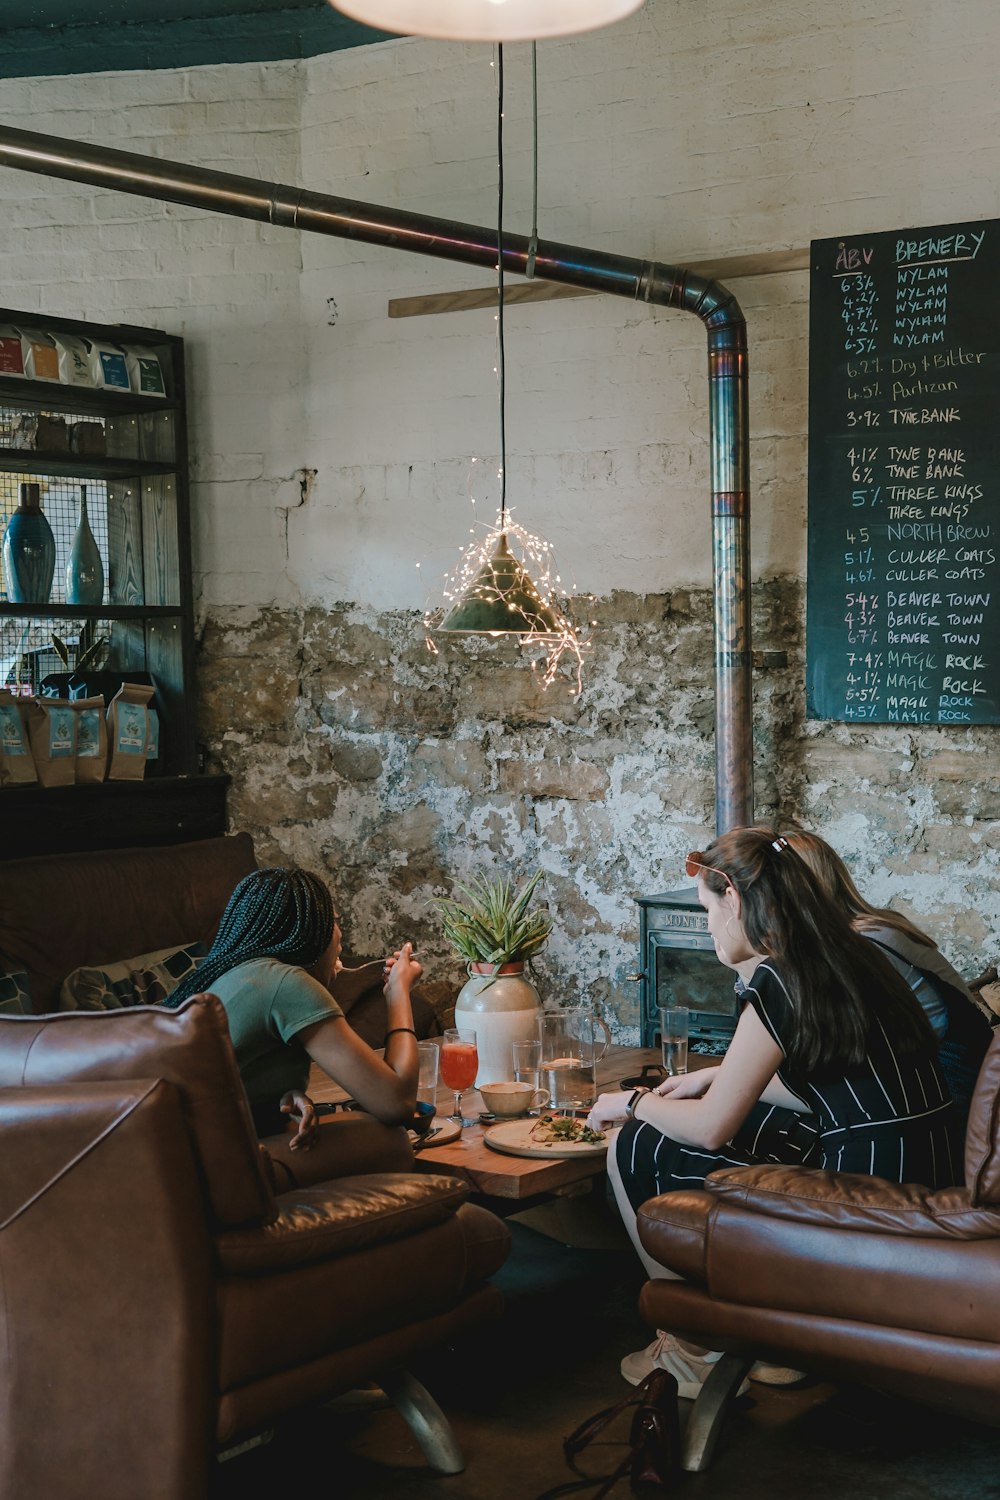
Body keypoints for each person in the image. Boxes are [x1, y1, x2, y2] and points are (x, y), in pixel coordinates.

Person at [588, 826, 963, 1398]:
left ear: (734, 899)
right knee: (702, 1125)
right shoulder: (854, 951)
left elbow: (714, 1129)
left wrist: (636, 1102)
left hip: (865, 1204)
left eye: (708, 910)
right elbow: (843, 1089)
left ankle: (693, 1350)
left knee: (637, 1143)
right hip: (928, 1174)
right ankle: (754, 1344)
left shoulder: (779, 975)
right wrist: (714, 1078)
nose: (709, 926)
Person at [164, 866, 420, 1141]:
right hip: (221, 1163)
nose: (339, 935)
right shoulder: (288, 983)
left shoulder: (232, 974)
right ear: (310, 932)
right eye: (332, 921)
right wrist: (398, 993)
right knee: (391, 1141)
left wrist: (279, 1102)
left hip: (177, 1157)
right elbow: (396, 1105)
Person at [784, 827, 993, 1124]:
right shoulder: (873, 926)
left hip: (945, 1090)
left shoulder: (864, 941)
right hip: (937, 1074)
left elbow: (831, 1043)